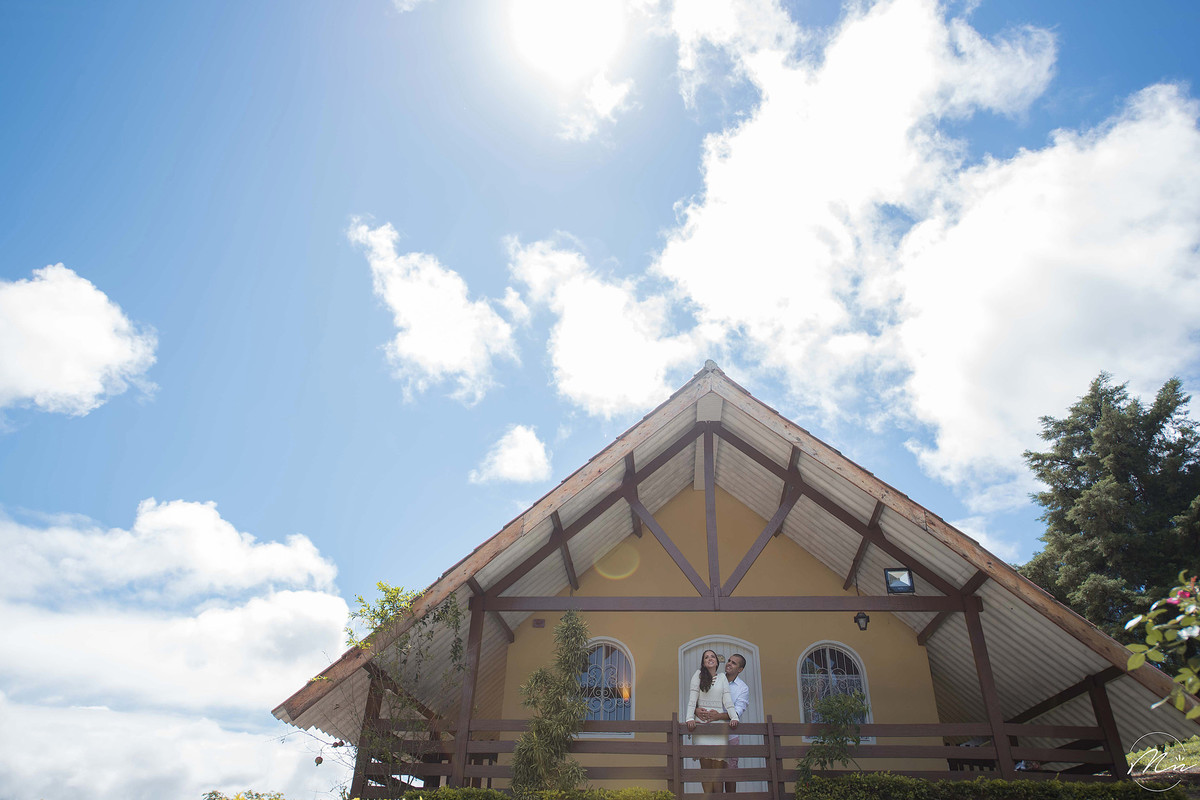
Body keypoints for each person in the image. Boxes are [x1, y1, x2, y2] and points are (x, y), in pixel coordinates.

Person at [686, 649, 740, 793]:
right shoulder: (697, 676)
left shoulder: (722, 677)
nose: (710, 659)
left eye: (712, 657)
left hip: (718, 729)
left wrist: (734, 717)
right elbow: (692, 700)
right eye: (706, 657)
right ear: (703, 663)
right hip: (702, 727)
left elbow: (728, 700)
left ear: (716, 661)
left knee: (718, 771)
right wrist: (690, 717)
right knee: (706, 770)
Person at [695, 653, 749, 793]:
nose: (729, 664)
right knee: (709, 774)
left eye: (734, 663)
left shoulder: (742, 688)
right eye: (729, 661)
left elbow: (736, 713)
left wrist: (719, 716)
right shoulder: (714, 679)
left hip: (730, 736)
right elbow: (698, 699)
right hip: (710, 734)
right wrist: (696, 710)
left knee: (730, 774)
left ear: (740, 669)